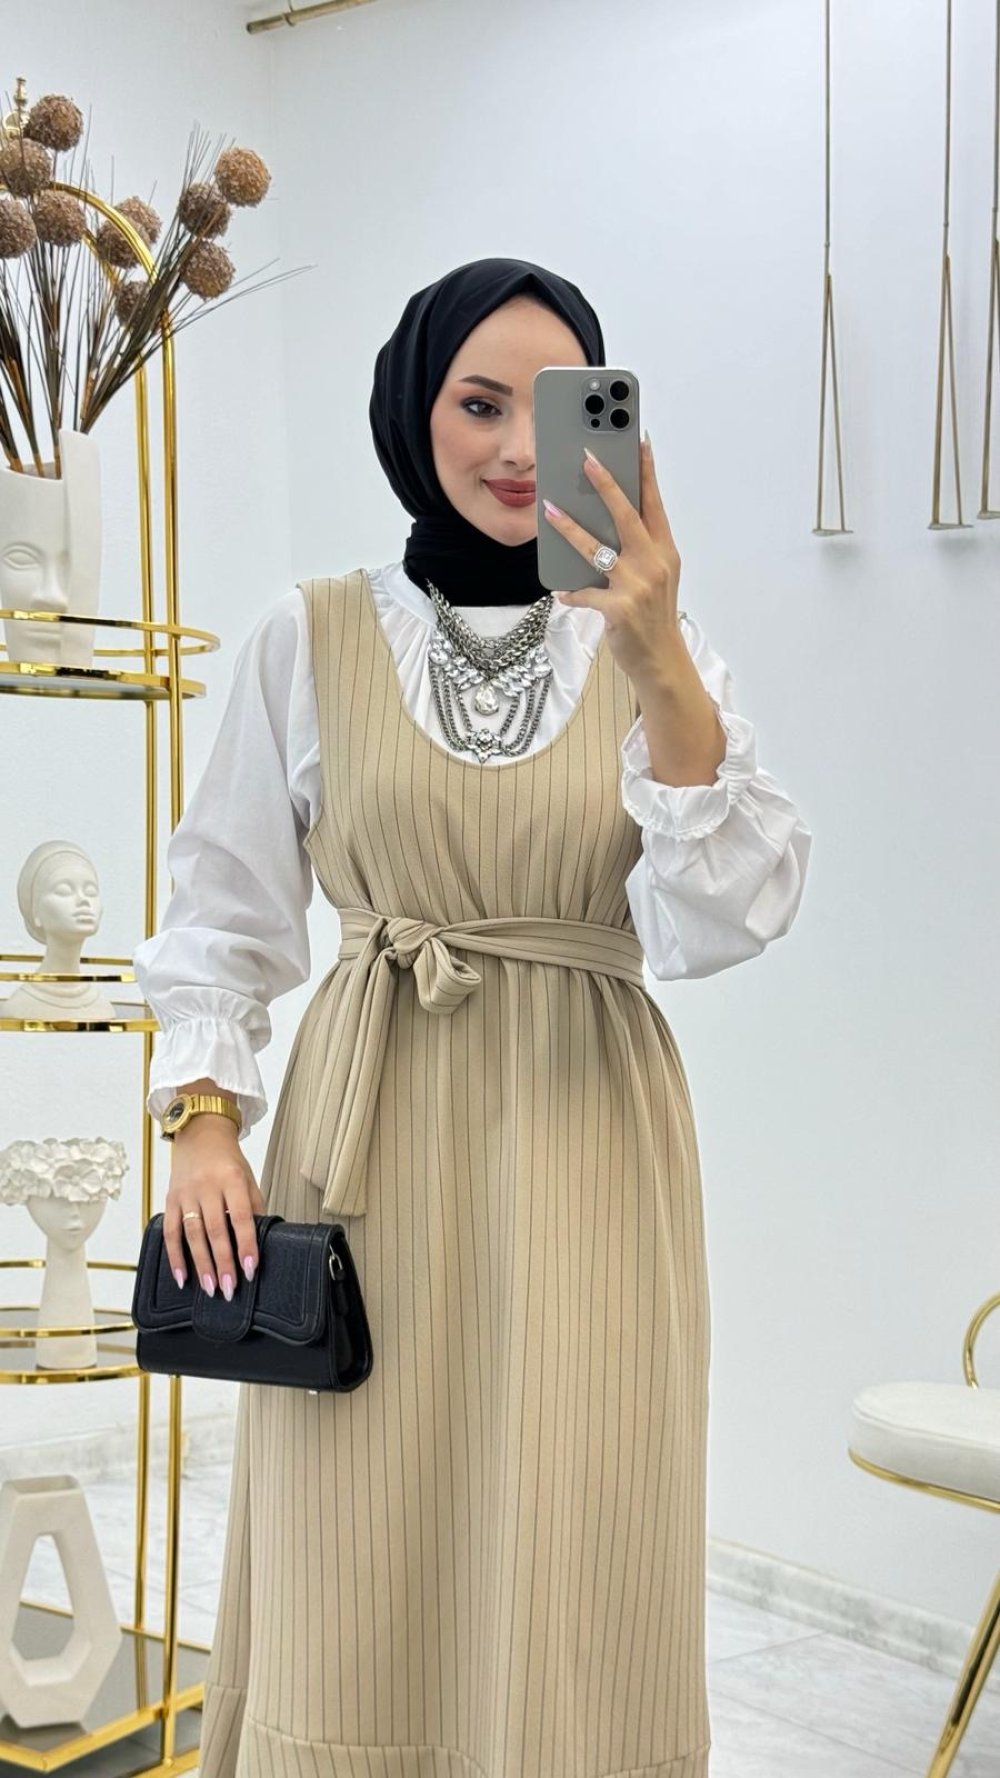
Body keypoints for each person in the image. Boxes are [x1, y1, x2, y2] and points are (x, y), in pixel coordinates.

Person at [132, 256, 811, 1778]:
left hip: (587, 1135)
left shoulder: (654, 647)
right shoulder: (309, 632)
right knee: (356, 1514)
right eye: (478, 403)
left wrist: (656, 650)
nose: (516, 449)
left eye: (554, 410)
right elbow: (222, 907)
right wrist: (203, 1120)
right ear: (411, 411)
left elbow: (728, 913)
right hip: (365, 1130)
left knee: (581, 1507)